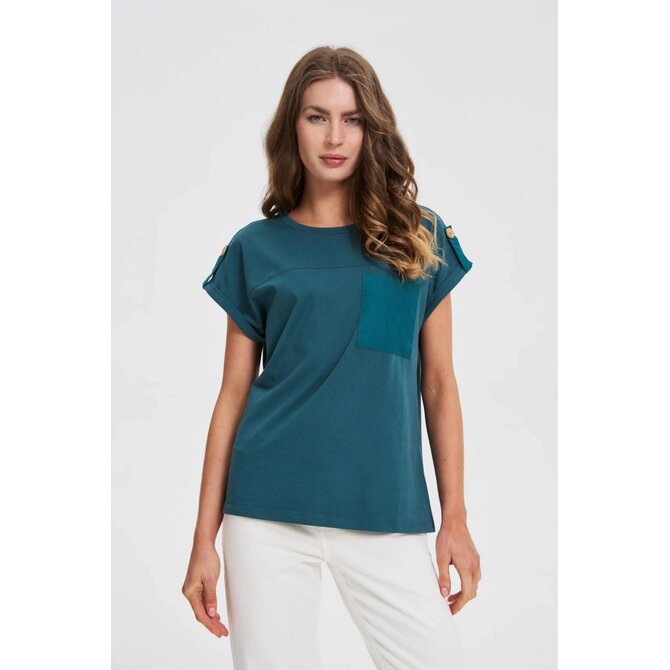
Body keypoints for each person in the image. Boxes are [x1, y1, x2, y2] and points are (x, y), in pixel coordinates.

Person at [182, 45, 482, 669]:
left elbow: (439, 383)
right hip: (266, 510)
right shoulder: (256, 248)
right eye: (317, 117)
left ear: (372, 129)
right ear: (292, 127)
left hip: (385, 507)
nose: (335, 137)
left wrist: (454, 516)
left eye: (352, 119)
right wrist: (203, 541)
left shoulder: (418, 237)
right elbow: (232, 396)